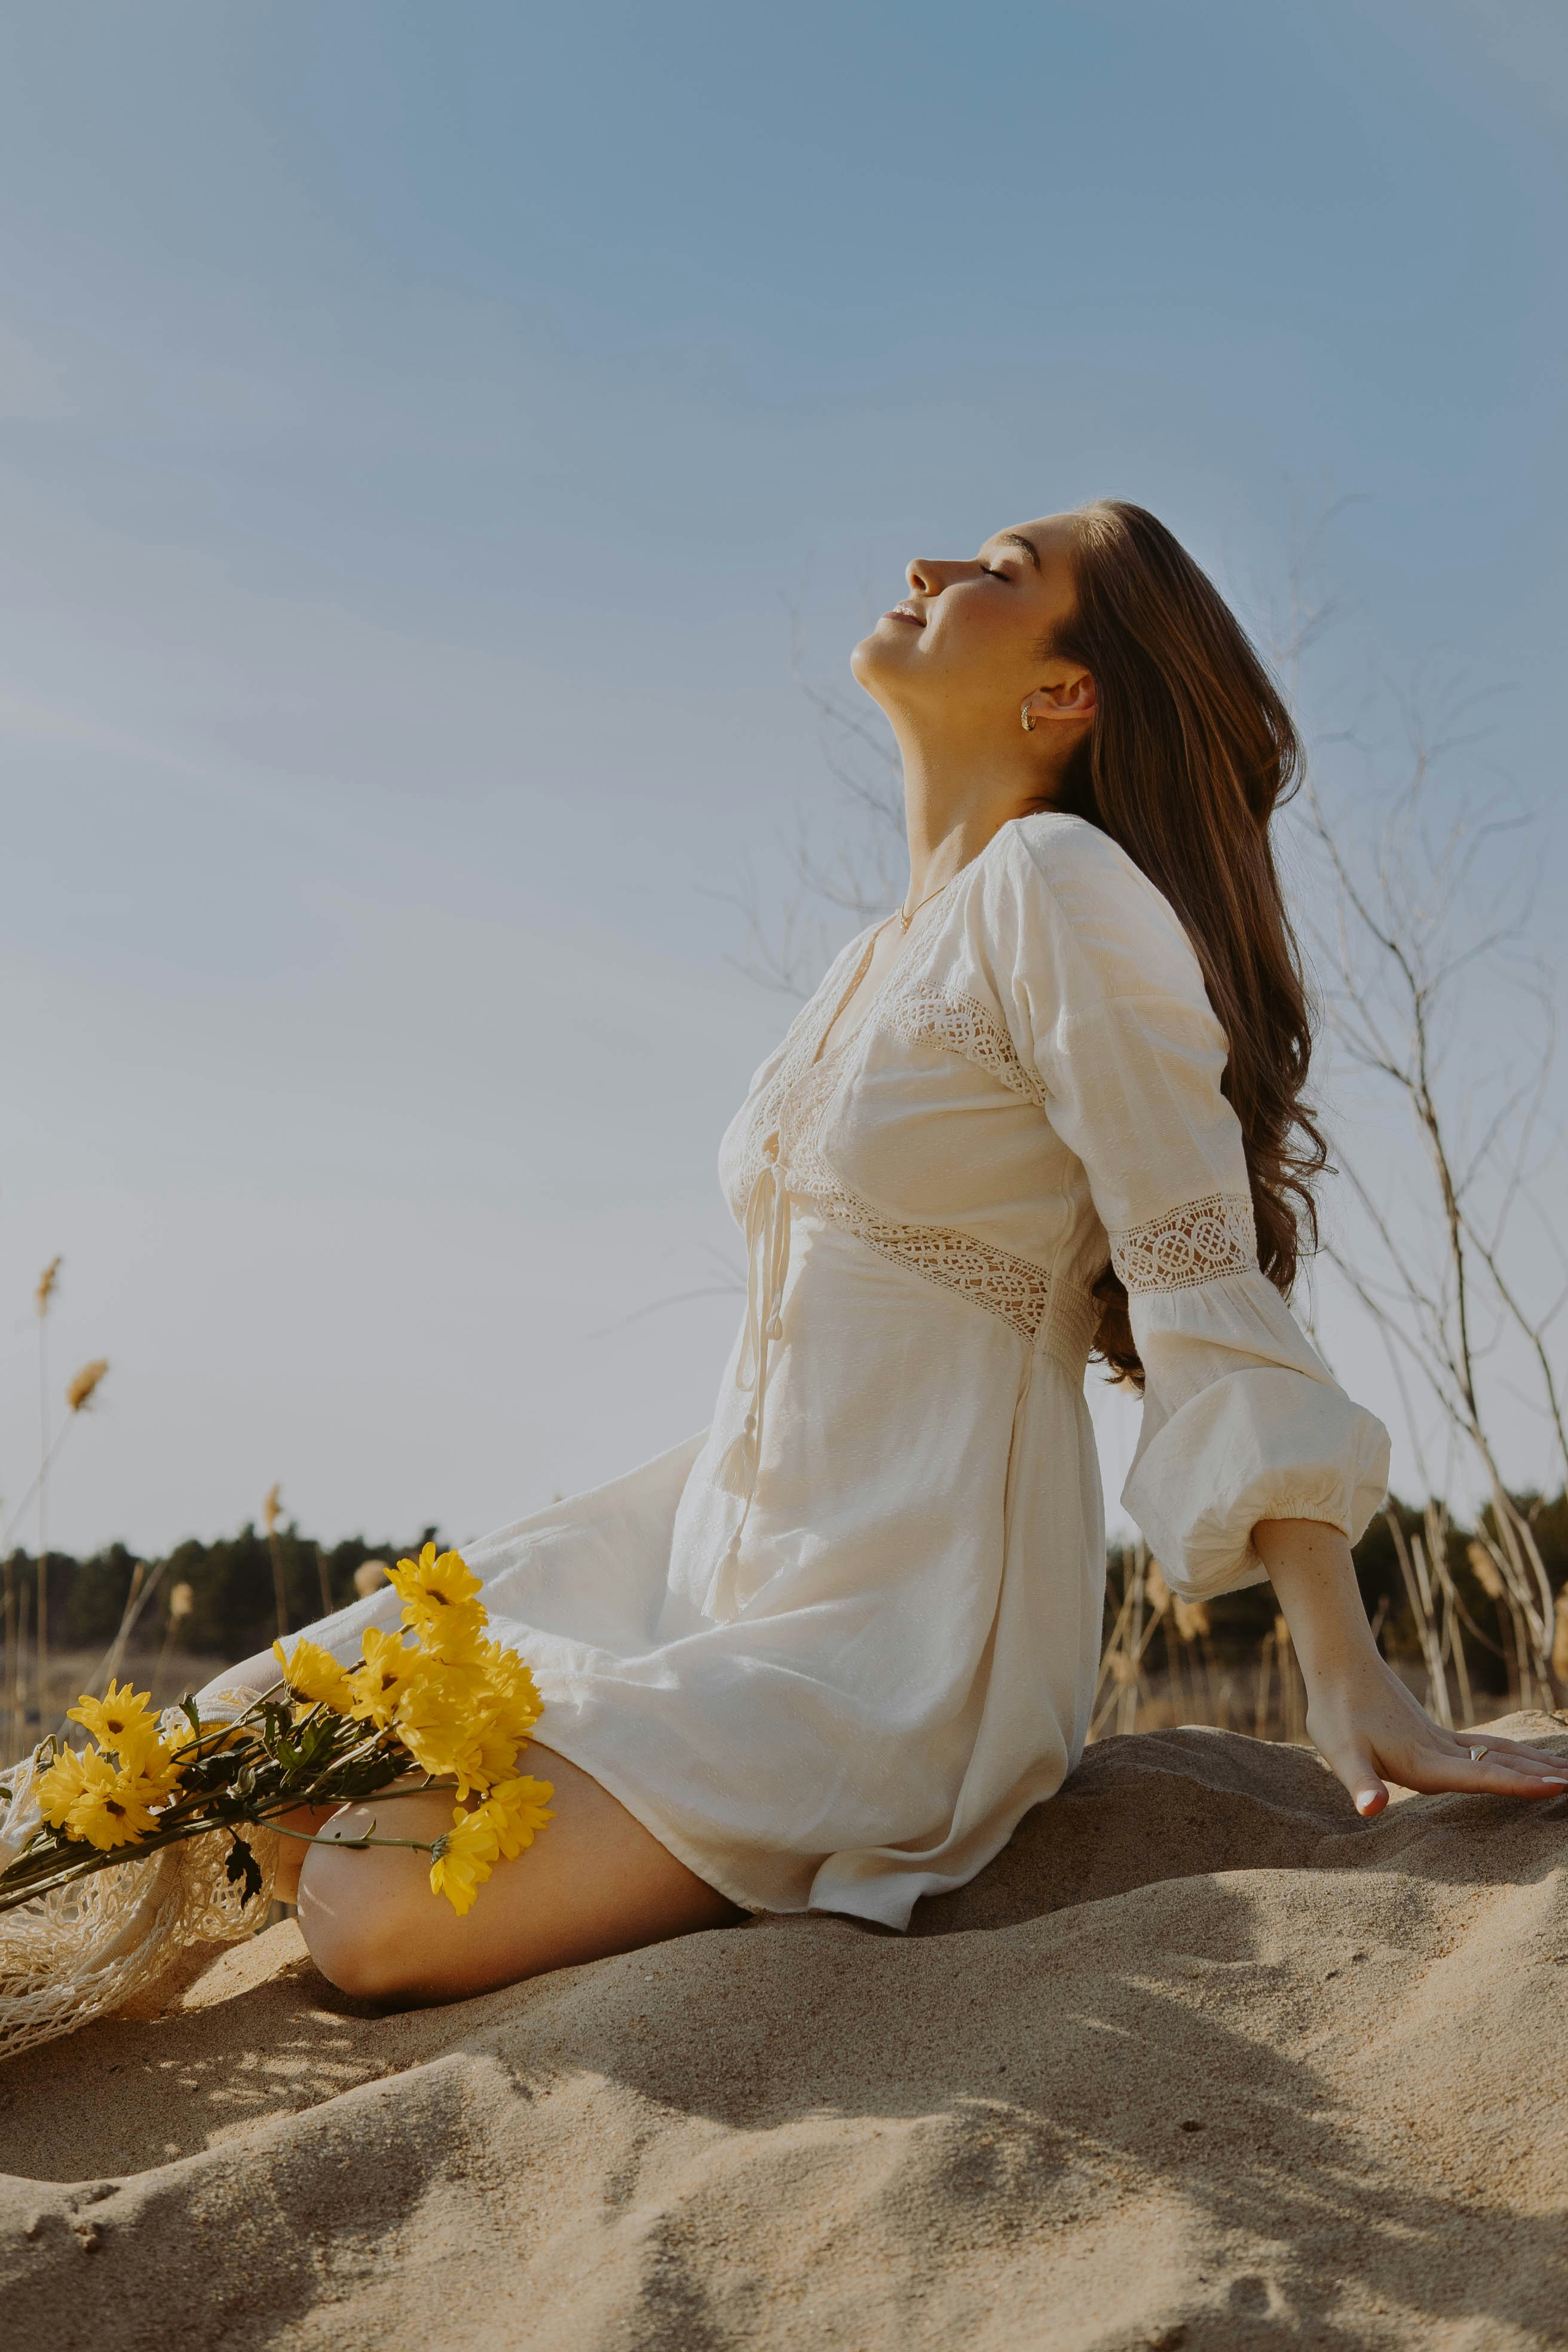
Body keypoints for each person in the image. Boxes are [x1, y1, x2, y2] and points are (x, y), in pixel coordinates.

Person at [217, 501, 1567, 2006]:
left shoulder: (1060, 887)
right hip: (705, 1559)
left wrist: (1344, 1663)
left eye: (1002, 572)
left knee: (367, 1906)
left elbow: (1198, 1269)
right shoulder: (870, 957)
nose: (925, 568)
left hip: (892, 1638)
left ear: (1065, 693)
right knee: (242, 1758)